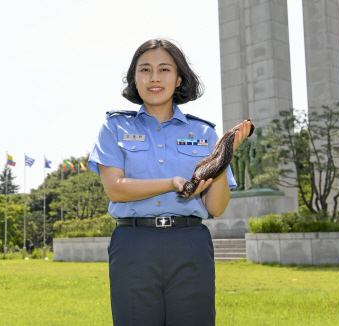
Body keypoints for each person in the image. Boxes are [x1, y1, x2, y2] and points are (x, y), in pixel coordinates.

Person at [88, 39, 251, 326]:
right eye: (145, 69)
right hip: (133, 243)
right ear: (134, 79)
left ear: (178, 79)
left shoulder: (204, 131)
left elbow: (216, 206)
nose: (154, 77)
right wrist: (172, 182)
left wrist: (222, 156)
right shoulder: (115, 127)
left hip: (189, 242)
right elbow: (115, 188)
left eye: (164, 69)